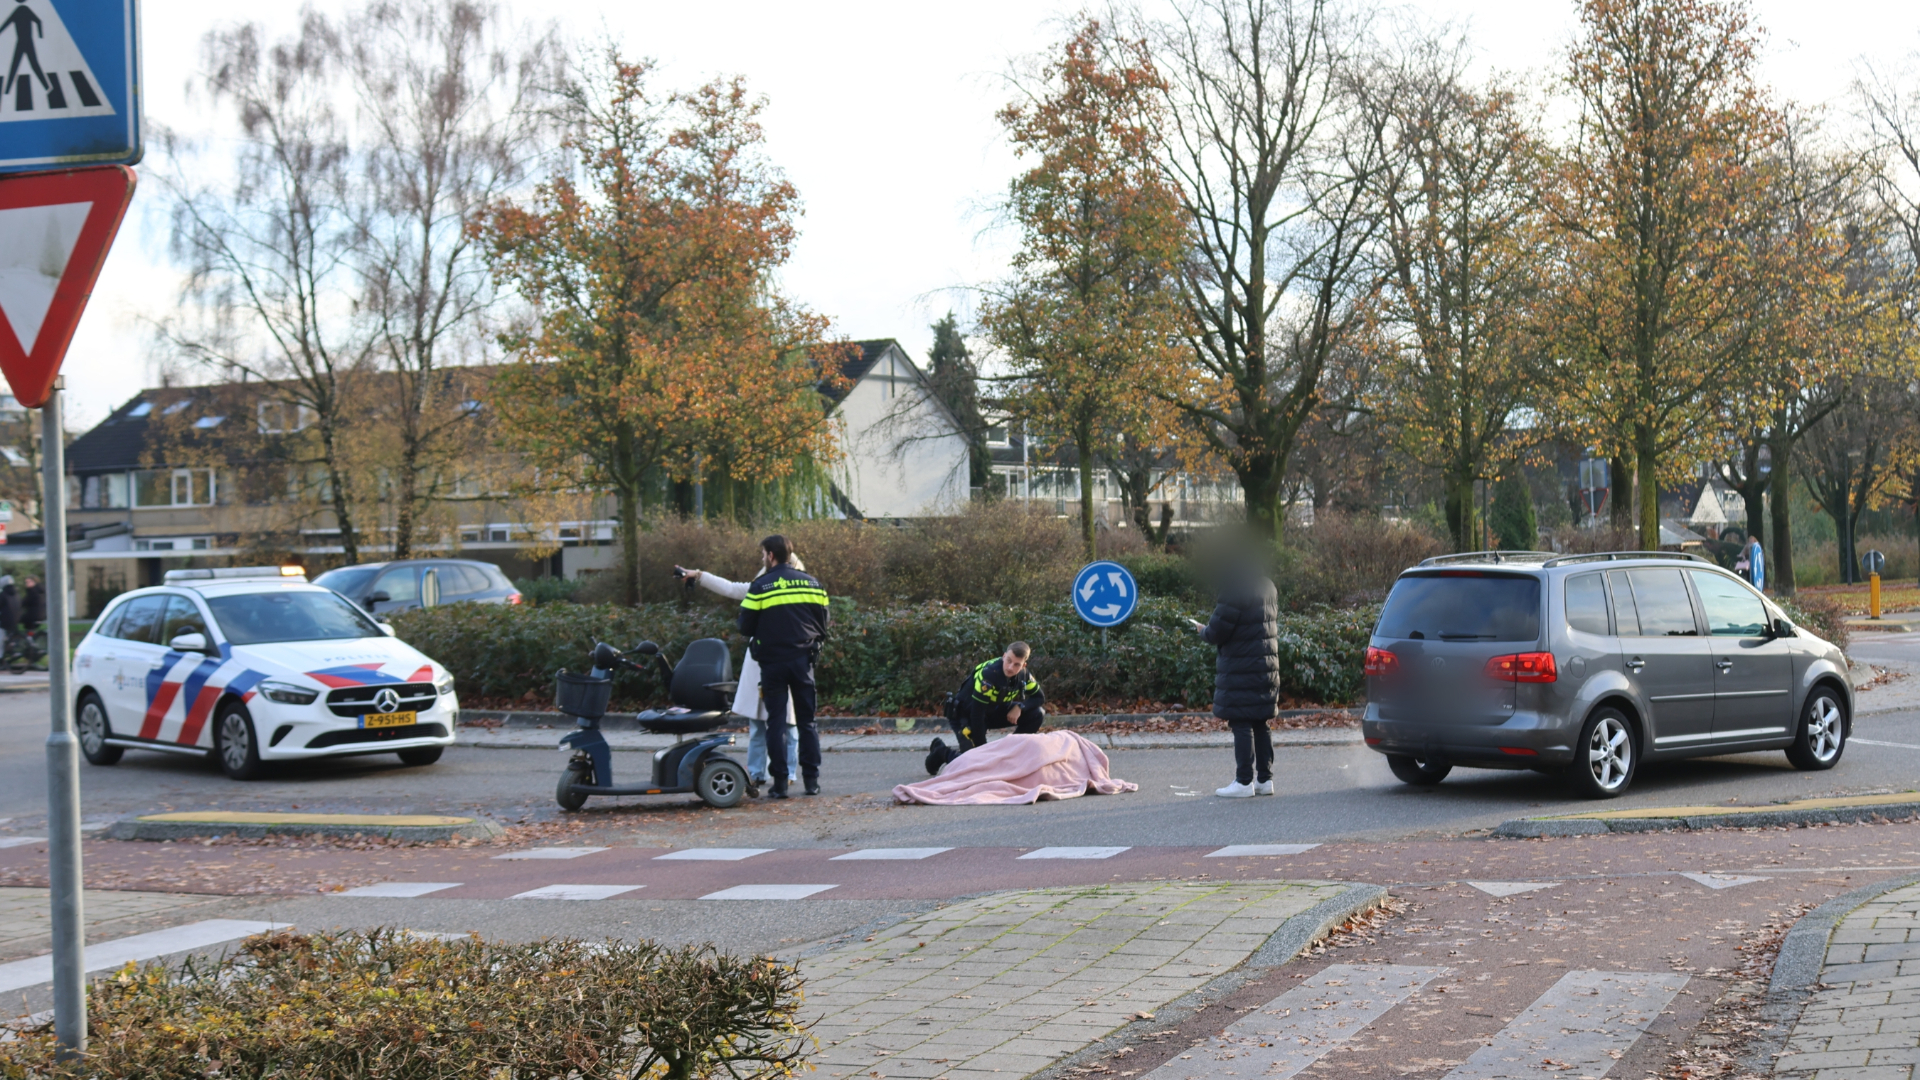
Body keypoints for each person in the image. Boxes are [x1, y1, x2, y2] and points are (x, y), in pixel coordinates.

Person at [679, 558, 803, 788]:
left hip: (786, 660)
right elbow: (730, 587)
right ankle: (758, 772)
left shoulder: (796, 590)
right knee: (758, 724)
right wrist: (698, 574)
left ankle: (788, 772)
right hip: (761, 662)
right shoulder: (761, 586)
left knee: (788, 724)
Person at [738, 535, 829, 799]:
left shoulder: (760, 586)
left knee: (775, 723)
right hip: (803, 662)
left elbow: (744, 626)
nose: (762, 558)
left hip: (772, 664)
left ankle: (779, 784)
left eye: (763, 554)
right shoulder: (813, 583)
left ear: (770, 555)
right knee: (807, 722)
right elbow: (823, 623)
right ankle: (811, 781)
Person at [1196, 563, 1280, 797]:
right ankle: (1265, 780)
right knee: (1261, 722)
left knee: (1241, 723)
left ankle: (1244, 782)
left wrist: (1202, 630)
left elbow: (1216, 632)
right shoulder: (1268, 587)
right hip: (1266, 667)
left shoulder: (1234, 592)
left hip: (1241, 668)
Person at [924, 642, 1046, 774]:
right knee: (978, 767)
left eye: (1017, 664)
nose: (1010, 667)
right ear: (1004, 656)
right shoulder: (989, 675)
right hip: (965, 715)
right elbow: (977, 716)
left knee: (1037, 713)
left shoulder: (1024, 675)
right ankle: (942, 752)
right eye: (1009, 661)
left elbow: (1039, 698)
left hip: (992, 711)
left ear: (1023, 666)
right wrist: (985, 754)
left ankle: (1009, 755)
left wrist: (1020, 707)